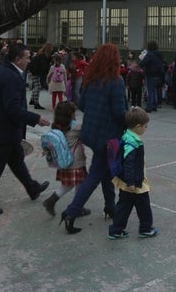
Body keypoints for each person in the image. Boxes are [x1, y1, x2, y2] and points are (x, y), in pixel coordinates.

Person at [0, 43, 51, 217]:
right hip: (6, 130)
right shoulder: (12, 77)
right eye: (27, 57)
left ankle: (32, 188)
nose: (29, 60)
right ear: (17, 59)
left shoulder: (2, 71)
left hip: (3, 128)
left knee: (16, 160)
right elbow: (13, 108)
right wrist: (36, 118)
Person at [60, 43, 128, 234]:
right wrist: (131, 121)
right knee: (96, 174)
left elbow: (81, 105)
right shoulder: (116, 82)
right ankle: (71, 212)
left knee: (106, 171)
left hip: (91, 133)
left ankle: (110, 207)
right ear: (114, 60)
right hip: (108, 137)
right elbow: (119, 112)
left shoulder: (91, 79)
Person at [108, 107, 159, 240]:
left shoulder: (127, 136)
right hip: (135, 182)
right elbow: (129, 163)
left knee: (123, 206)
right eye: (145, 126)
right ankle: (145, 228)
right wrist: (131, 181)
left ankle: (116, 230)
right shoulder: (133, 142)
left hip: (127, 181)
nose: (146, 129)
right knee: (144, 206)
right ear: (138, 127)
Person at [42, 101, 90, 216]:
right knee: (74, 185)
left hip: (65, 162)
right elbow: (87, 131)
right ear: (70, 115)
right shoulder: (74, 128)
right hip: (76, 163)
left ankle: (77, 205)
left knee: (74, 184)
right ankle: (56, 202)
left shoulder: (57, 127)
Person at [28, 42, 54, 109]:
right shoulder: (42, 56)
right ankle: (36, 104)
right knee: (38, 86)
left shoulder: (43, 55)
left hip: (34, 71)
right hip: (34, 71)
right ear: (49, 49)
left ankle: (32, 100)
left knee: (37, 86)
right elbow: (44, 66)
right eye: (51, 48)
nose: (52, 49)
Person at [140, 41, 163, 113]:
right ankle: (154, 106)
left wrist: (142, 58)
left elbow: (142, 63)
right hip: (157, 74)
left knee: (150, 91)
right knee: (154, 90)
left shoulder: (149, 54)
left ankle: (149, 107)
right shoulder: (159, 54)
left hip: (150, 74)